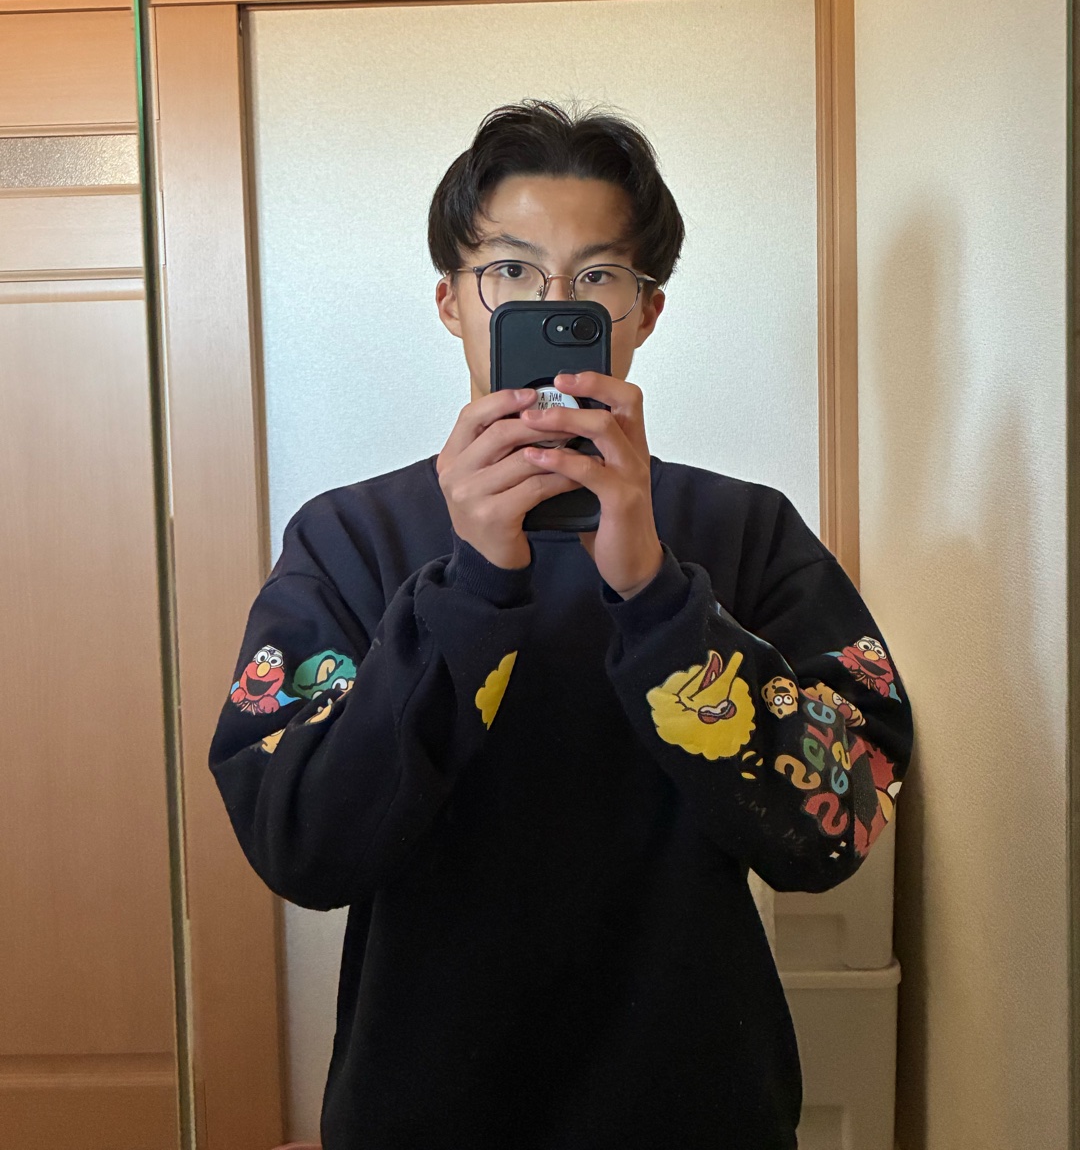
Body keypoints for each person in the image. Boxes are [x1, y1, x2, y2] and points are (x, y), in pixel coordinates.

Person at [210, 100, 914, 1150]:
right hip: (423, 1104)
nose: (555, 305)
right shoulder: (351, 536)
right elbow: (301, 844)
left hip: (693, 1105)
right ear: (452, 302)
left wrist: (657, 592)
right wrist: (470, 587)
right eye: (510, 270)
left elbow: (840, 824)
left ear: (645, 312)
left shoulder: (744, 529)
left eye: (597, 276)